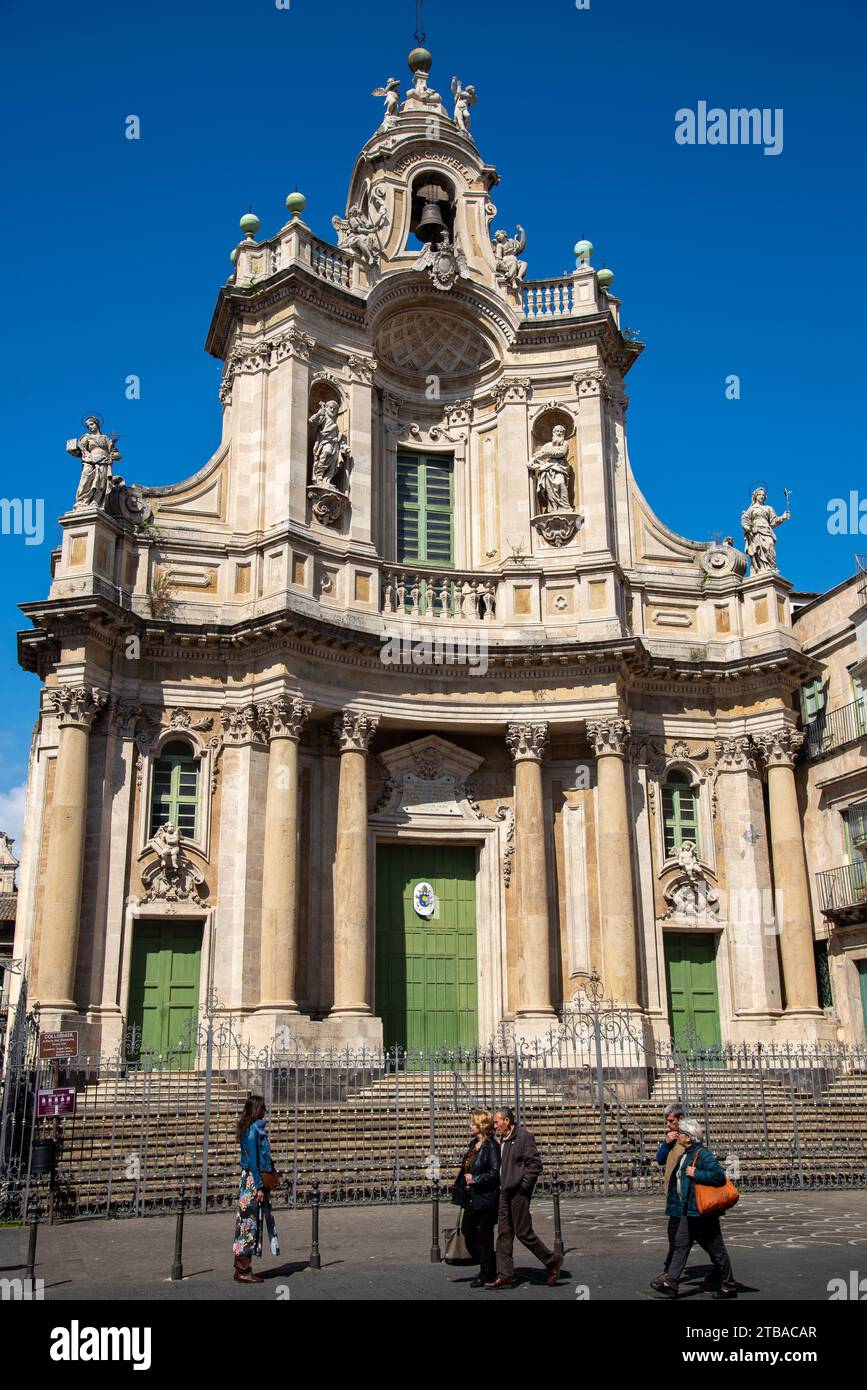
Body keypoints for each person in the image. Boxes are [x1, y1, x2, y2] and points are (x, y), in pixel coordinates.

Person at [654, 1118, 737, 1300]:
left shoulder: (703, 1154)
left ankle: (729, 1285)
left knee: (717, 1249)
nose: (679, 1136)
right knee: (681, 1244)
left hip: (702, 1211)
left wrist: (696, 1173)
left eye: (682, 1134)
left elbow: (718, 1176)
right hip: (688, 1210)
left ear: (689, 1138)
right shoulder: (687, 1153)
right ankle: (672, 1283)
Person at [487, 1105, 561, 1289]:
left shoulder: (523, 1137)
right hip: (505, 1193)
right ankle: (505, 1275)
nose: (495, 1125)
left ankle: (552, 1261)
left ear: (507, 1121)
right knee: (504, 1234)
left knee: (523, 1233)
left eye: (497, 1122)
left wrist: (523, 1187)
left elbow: (534, 1165)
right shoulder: (502, 1139)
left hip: (518, 1193)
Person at [451, 1109, 501, 1288]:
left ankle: (487, 1272)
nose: (470, 1125)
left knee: (484, 1236)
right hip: (472, 1197)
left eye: (473, 1123)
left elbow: (495, 1173)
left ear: (482, 1126)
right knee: (468, 1232)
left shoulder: (492, 1146)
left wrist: (476, 1179)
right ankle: (491, 1264)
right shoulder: (474, 1144)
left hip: (486, 1198)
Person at [232, 1094, 277, 1284]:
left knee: (249, 1224)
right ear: (257, 1109)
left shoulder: (253, 1129)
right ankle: (243, 1269)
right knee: (248, 1225)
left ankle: (242, 1267)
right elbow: (253, 1162)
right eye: (264, 1107)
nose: (266, 1110)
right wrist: (259, 1186)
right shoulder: (252, 1131)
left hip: (251, 1179)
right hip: (252, 1181)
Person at [653, 1100, 686, 1287]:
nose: (668, 1124)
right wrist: (666, 1143)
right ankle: (721, 1271)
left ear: (681, 1119)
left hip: (685, 1197)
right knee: (706, 1240)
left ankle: (669, 1274)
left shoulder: (689, 1137)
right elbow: (659, 1159)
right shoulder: (672, 1139)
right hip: (674, 1195)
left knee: (677, 1236)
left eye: (671, 1121)